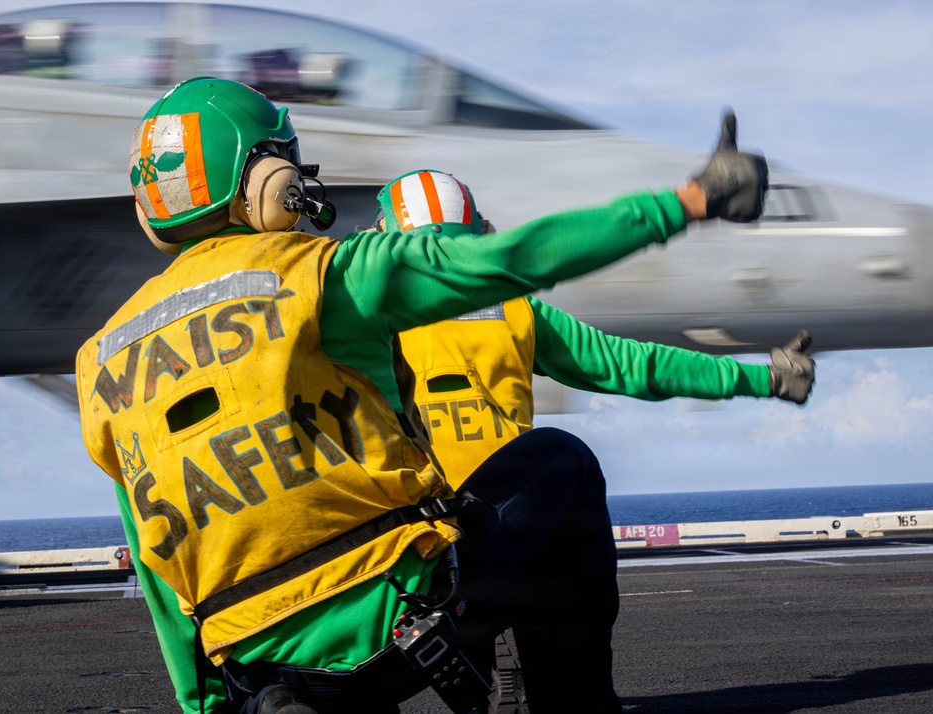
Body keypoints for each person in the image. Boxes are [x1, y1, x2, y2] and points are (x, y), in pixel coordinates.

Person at [75, 76, 790, 714]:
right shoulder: (325, 275)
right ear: (269, 180)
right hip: (405, 621)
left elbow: (153, 557)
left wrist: (206, 706)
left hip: (258, 669)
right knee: (560, 461)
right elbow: (514, 262)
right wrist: (689, 202)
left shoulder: (99, 363)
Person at [378, 169, 815, 488]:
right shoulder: (516, 311)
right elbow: (635, 365)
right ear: (481, 232)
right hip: (502, 515)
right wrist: (767, 378)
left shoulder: (352, 309)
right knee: (571, 466)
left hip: (402, 529)